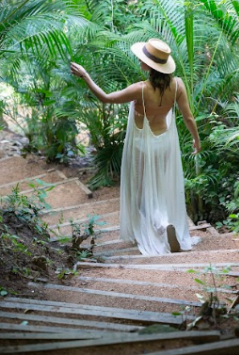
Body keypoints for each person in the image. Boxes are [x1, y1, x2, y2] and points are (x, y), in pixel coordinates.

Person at [70, 38, 201, 255]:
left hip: (143, 145)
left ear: (149, 66)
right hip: (165, 143)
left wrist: (85, 76)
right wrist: (196, 139)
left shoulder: (140, 89)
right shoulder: (178, 85)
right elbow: (188, 117)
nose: (140, 61)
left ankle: (161, 225)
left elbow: (105, 98)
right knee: (160, 188)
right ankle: (165, 223)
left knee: (140, 193)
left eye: (143, 59)